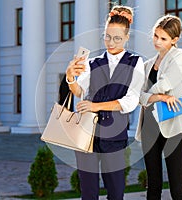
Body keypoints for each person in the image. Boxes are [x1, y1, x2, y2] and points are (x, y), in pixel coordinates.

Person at [65, 5, 144, 200]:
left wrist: (95, 106)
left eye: (117, 38)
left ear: (126, 37)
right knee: (89, 193)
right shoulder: (92, 63)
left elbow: (130, 101)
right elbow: (79, 91)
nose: (111, 42)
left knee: (116, 193)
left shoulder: (135, 62)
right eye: (107, 36)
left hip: (115, 136)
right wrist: (70, 77)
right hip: (86, 133)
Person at [135, 14, 182, 200]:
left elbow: (166, 83)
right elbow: (138, 96)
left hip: (172, 125)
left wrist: (150, 95)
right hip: (149, 125)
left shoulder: (179, 56)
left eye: (163, 38)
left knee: (177, 187)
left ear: (175, 40)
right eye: (156, 36)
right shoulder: (147, 64)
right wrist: (158, 97)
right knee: (153, 184)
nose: (157, 41)